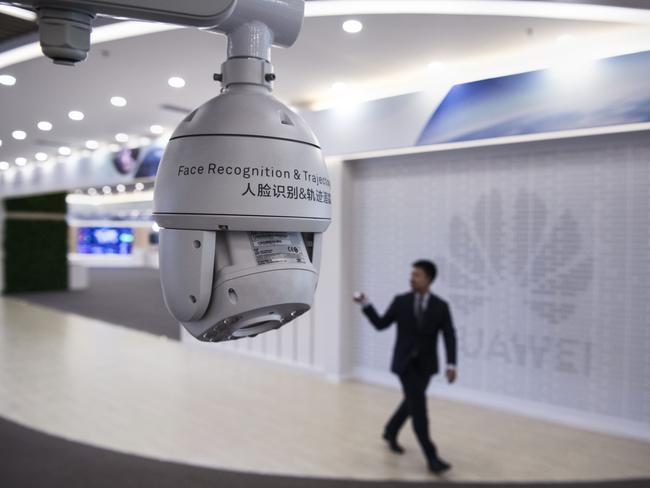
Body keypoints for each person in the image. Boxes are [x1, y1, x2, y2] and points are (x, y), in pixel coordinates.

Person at [353, 259, 457, 474]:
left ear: (428, 279)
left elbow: (449, 335)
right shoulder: (401, 301)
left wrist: (451, 363)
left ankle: (390, 430)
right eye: (412, 274)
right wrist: (366, 305)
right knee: (419, 408)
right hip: (405, 364)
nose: (411, 278)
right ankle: (432, 457)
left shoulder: (441, 306)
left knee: (411, 402)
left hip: (427, 366)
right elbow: (381, 324)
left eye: (417, 274)